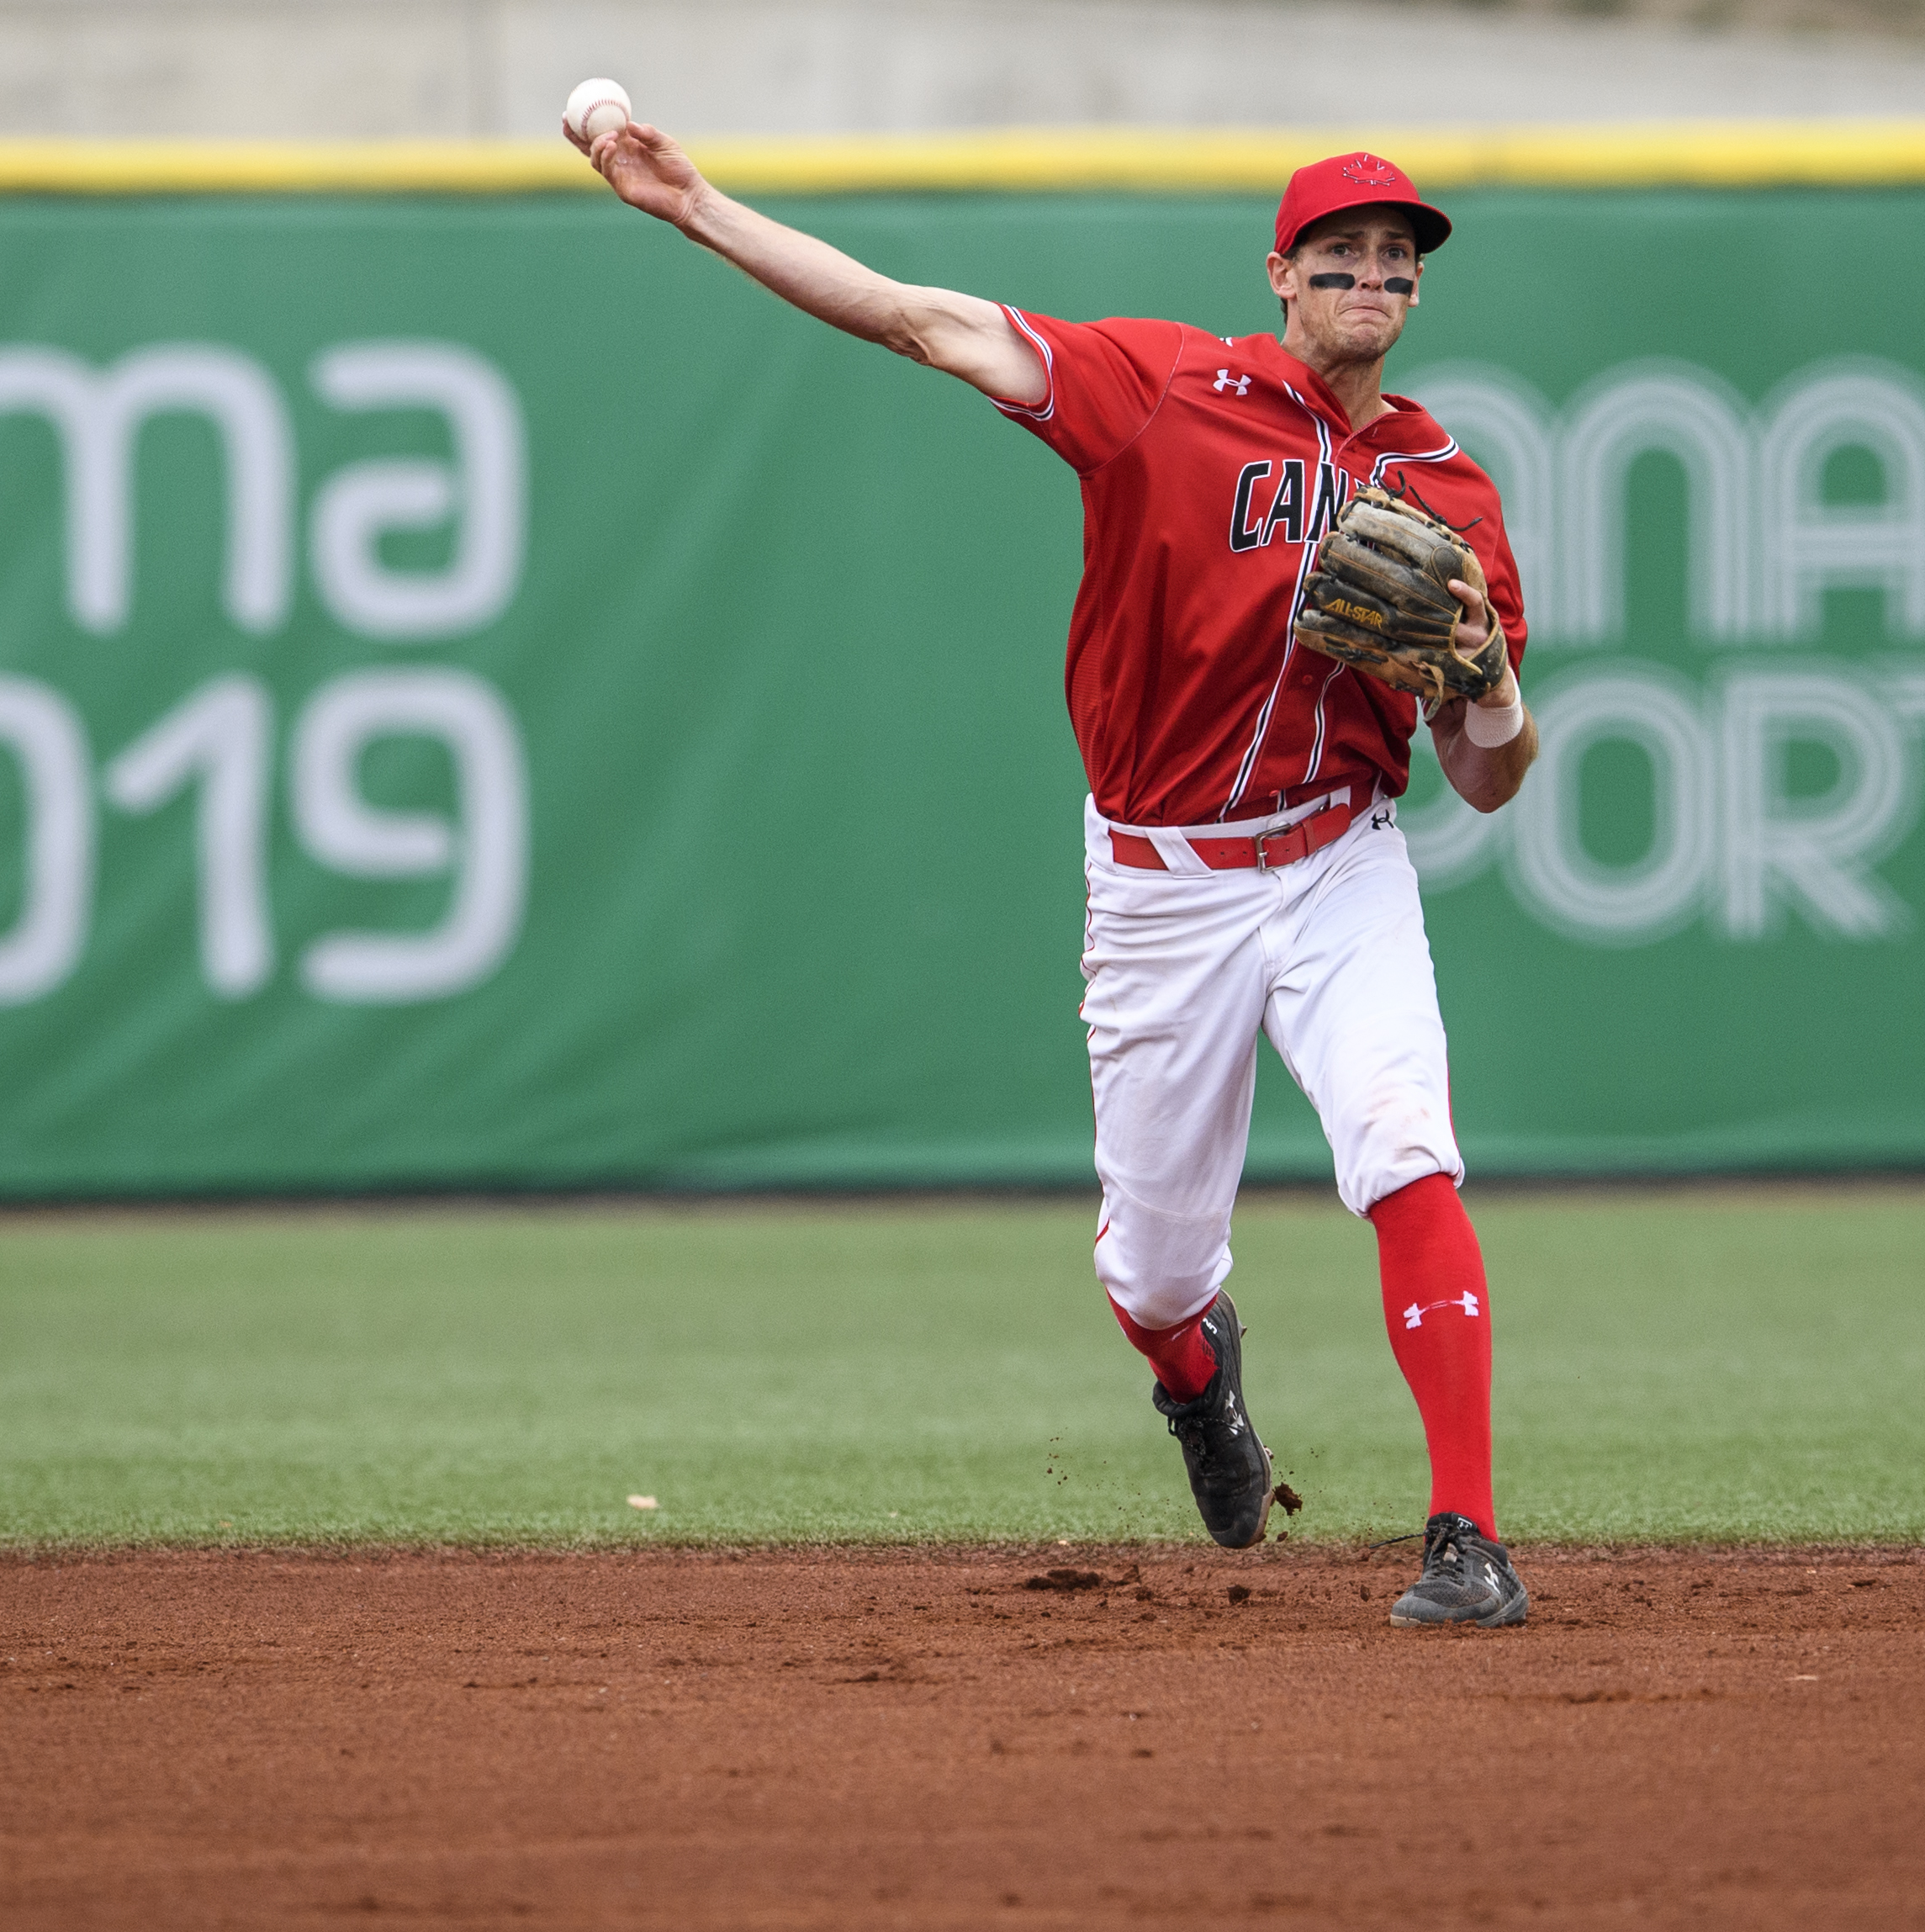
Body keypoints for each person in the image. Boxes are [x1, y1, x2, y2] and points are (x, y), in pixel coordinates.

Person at [572, 119, 1541, 1628]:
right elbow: (921, 320)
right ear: (1280, 275)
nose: (1371, 275)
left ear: (1414, 290)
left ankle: (1466, 1537)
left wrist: (1487, 681)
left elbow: (1486, 774)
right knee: (1152, 1273)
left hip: (1339, 858)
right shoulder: (1167, 389)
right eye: (1340, 253)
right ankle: (1198, 1377)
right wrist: (697, 204)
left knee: (1403, 1146)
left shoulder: (1448, 490)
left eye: (1395, 259)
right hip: (1163, 881)